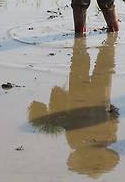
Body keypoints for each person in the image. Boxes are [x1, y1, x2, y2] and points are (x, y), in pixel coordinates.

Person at [28, 33, 119, 177]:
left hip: (85, 99)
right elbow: (114, 116)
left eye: (90, 159)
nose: (93, 156)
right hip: (96, 98)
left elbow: (113, 116)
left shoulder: (77, 142)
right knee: (101, 64)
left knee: (83, 64)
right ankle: (108, 39)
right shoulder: (108, 139)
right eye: (98, 159)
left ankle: (93, 41)